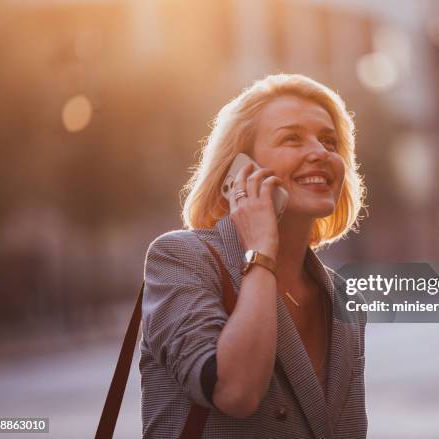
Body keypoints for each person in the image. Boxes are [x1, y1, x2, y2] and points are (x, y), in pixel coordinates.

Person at [140, 73, 367, 438]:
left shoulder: (344, 298)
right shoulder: (181, 258)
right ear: (240, 169)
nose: (321, 153)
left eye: (329, 141)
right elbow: (236, 392)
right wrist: (261, 249)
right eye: (291, 138)